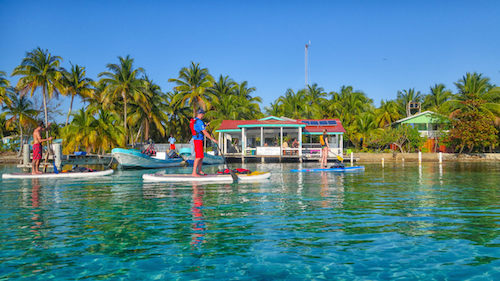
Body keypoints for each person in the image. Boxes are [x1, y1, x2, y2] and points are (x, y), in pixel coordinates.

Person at [190, 109, 218, 177]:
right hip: (197, 140)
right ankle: (194, 173)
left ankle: (199, 170)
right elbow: (204, 132)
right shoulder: (199, 122)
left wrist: (205, 126)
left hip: (198, 140)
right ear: (201, 114)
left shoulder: (195, 120)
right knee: (198, 157)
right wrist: (212, 139)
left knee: (201, 156)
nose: (203, 116)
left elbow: (198, 129)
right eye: (203, 115)